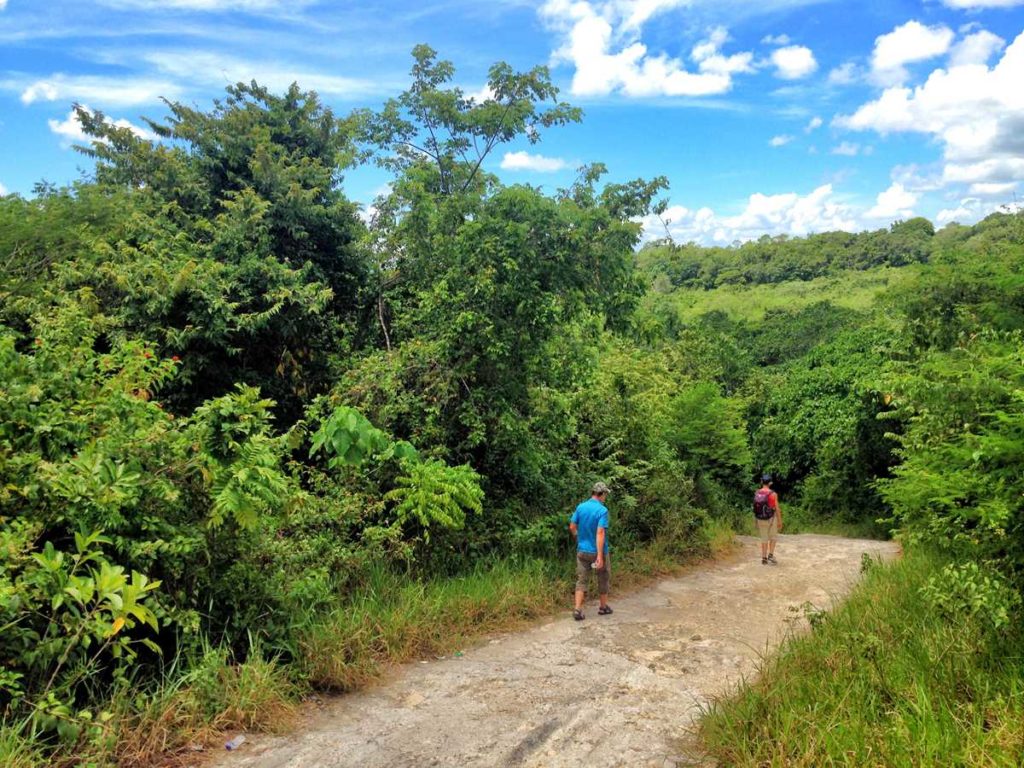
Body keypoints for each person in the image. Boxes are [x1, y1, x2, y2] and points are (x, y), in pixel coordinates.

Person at [569, 481, 612, 621]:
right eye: (605, 494)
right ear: (602, 494)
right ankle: (603, 607)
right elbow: (600, 532)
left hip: (582, 551)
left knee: (582, 579)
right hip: (598, 552)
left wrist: (578, 538)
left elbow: (572, 526)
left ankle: (577, 609)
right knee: (603, 577)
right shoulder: (602, 510)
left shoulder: (581, 507)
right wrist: (599, 555)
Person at [754, 473, 783, 565]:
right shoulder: (773, 494)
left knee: (764, 538)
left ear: (762, 481)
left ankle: (764, 558)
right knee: (773, 537)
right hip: (771, 518)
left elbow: (755, 507)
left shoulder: (757, 493)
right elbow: (777, 509)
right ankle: (770, 555)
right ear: (770, 483)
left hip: (760, 518)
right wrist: (779, 521)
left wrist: (755, 520)